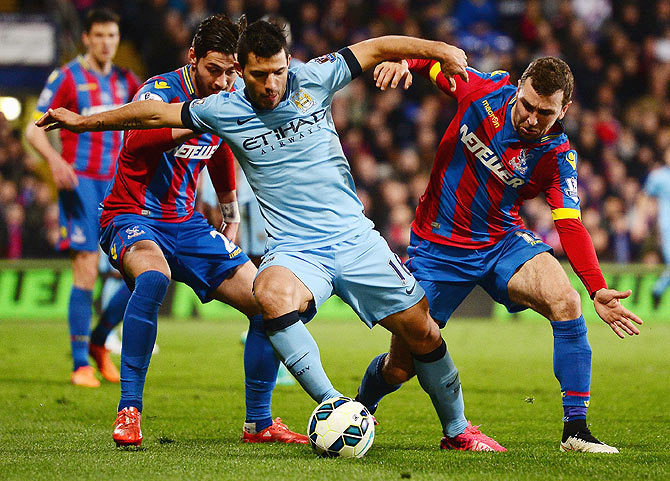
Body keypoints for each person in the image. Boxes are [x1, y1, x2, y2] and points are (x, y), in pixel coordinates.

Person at [37, 19, 509, 452]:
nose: (270, 85)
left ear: (288, 63)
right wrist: (83, 121)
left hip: (355, 239)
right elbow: (150, 117)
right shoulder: (220, 107)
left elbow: (379, 46)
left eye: (278, 72)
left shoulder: (314, 77)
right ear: (242, 71)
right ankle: (331, 406)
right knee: (268, 294)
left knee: (422, 331)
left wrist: (439, 50)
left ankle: (458, 430)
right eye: (259, 75)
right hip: (286, 247)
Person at [44, 14, 308, 448]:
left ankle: (258, 424)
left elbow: (221, 148)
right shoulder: (161, 90)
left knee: (268, 302)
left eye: (232, 72)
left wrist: (229, 207)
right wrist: (203, 120)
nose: (224, 82)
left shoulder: (231, 96)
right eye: (213, 70)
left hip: (185, 222)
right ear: (192, 59)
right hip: (130, 214)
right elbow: (139, 140)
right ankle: (128, 411)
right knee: (153, 278)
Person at [368, 56, 644, 453]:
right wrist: (404, 60)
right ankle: (361, 406)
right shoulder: (481, 91)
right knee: (400, 366)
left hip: (502, 241)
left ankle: (576, 431)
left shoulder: (557, 154)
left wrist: (597, 288)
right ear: (518, 88)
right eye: (527, 105)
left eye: (545, 113)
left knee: (566, 300)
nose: (532, 118)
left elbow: (569, 223)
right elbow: (435, 63)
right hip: (438, 248)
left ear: (563, 110)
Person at [25, 8, 140, 388]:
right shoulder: (68, 77)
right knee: (87, 266)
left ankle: (99, 340)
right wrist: (55, 160)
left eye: (113, 36)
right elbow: (33, 129)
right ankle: (80, 364)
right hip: (81, 183)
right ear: (86, 39)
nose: (107, 42)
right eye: (100, 36)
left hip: (121, 186)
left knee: (139, 271)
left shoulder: (128, 81)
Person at [644, 158, 670, 309]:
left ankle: (657, 290)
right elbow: (646, 198)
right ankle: (657, 290)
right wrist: (643, 222)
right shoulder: (658, 176)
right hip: (667, 227)